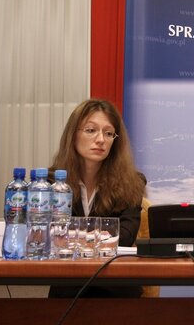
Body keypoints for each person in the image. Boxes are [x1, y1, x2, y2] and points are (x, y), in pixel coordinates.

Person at [48, 99, 145, 298]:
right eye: (91, 130)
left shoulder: (133, 183)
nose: (100, 139)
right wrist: (100, 234)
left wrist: (72, 235)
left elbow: (124, 237)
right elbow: (49, 236)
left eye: (108, 133)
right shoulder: (50, 183)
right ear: (72, 135)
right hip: (68, 287)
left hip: (117, 287)